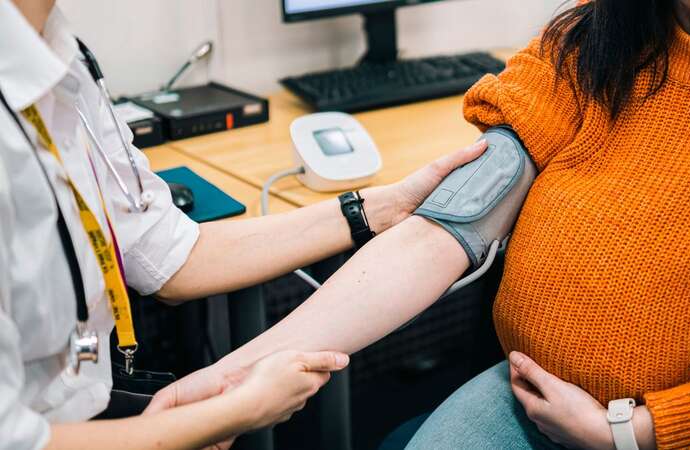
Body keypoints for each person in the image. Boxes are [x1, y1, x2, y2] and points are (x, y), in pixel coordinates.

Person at [148, 0, 690, 448]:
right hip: (528, 401)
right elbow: (442, 230)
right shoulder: (592, 45)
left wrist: (636, 432)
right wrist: (234, 378)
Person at [0, 0, 489, 448]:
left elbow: (167, 254)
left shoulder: (63, 55)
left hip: (89, 399)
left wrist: (380, 206)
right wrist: (237, 409)